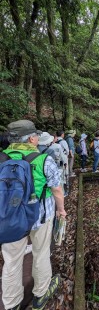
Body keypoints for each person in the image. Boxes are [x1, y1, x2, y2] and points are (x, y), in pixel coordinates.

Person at [1, 120, 66, 310]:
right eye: (36, 135)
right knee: (41, 254)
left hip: (10, 218)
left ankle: (11, 304)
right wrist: (61, 210)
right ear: (31, 138)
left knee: (11, 262)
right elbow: (57, 190)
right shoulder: (43, 159)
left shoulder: (2, 159)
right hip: (40, 216)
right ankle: (40, 295)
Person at [56, 130, 69, 196]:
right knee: (65, 173)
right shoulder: (63, 142)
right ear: (62, 134)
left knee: (58, 173)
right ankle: (65, 189)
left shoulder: (54, 141)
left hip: (56, 160)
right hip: (63, 158)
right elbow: (67, 150)